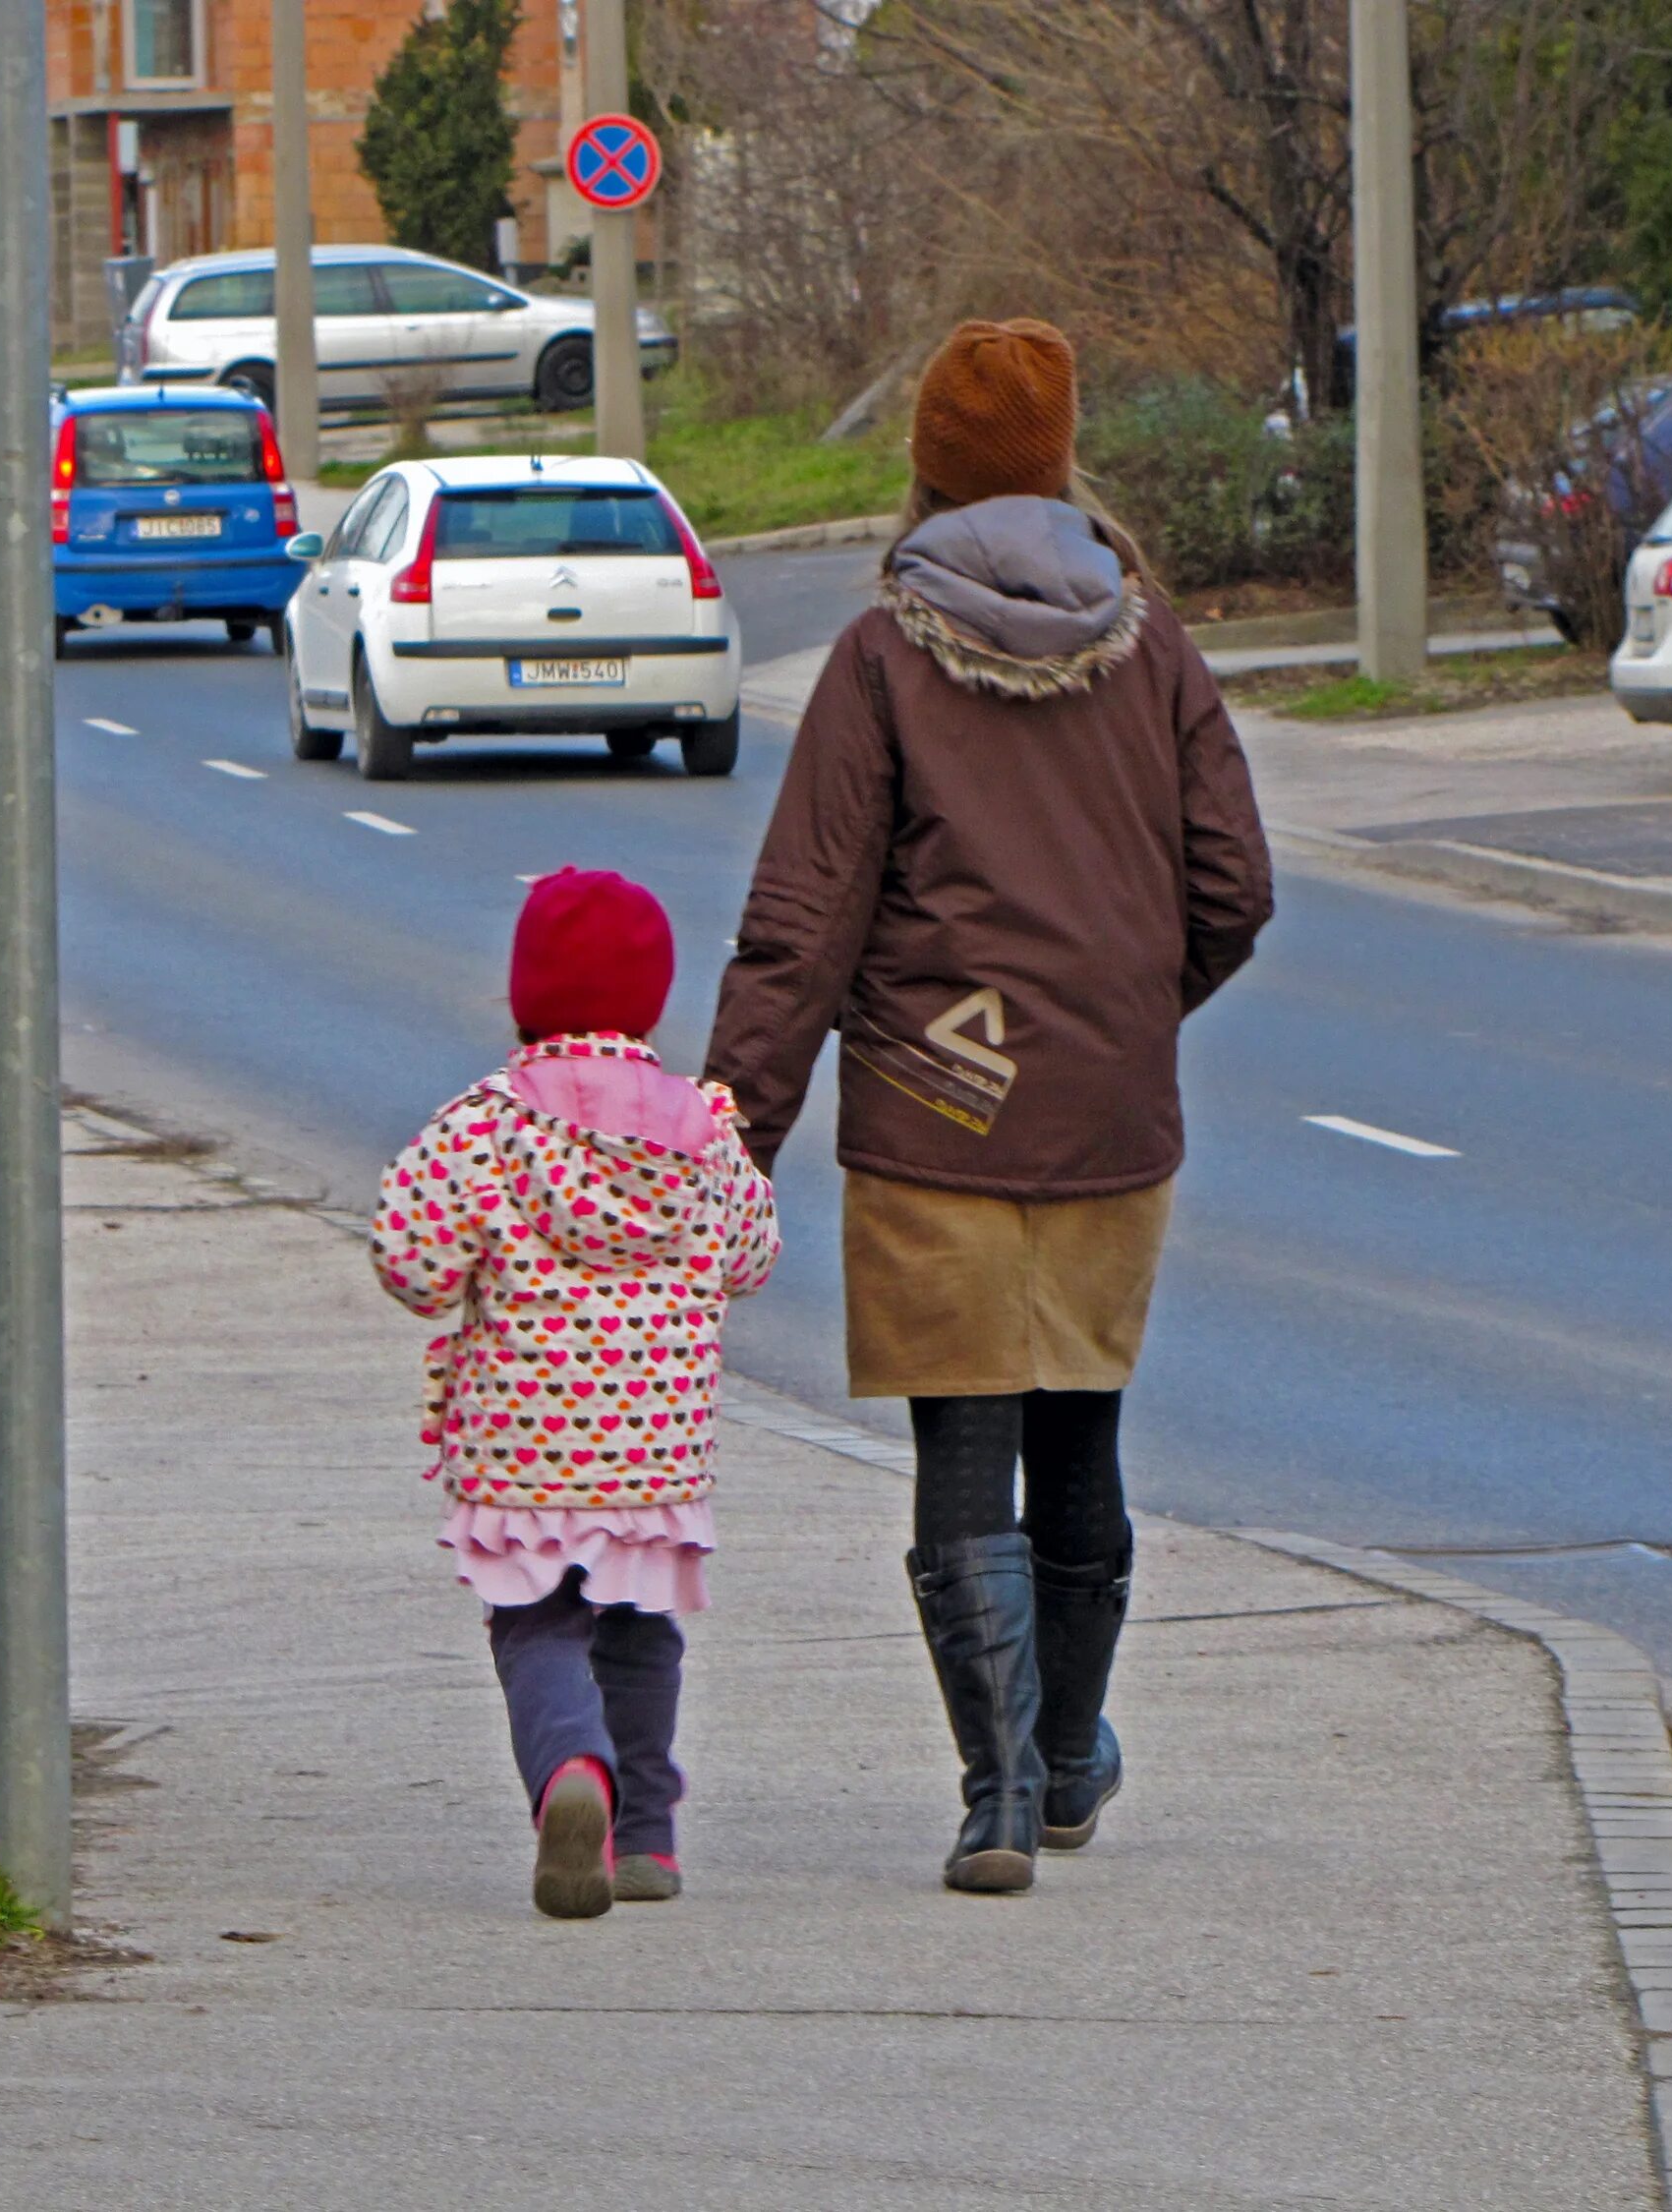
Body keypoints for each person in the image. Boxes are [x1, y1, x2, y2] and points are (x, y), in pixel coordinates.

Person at [705, 319, 1273, 1895]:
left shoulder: (883, 654)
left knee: (967, 1431)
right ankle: (1074, 1759)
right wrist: (1125, 1014)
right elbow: (1235, 886)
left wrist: (732, 1128)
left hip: (930, 1103)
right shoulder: (1150, 640)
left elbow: (804, 916)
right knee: (1082, 1421)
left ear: (929, 466)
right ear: (1059, 454)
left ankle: (1000, 1794)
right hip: (1104, 1110)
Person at [372, 868, 780, 1920]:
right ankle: (645, 1836)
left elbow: (412, 1263)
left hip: (523, 1439)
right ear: (651, 998)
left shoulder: (482, 1126)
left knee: (539, 1624)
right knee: (641, 1627)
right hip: (655, 1441)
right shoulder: (705, 1130)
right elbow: (752, 1256)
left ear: (525, 994)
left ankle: (573, 1778)